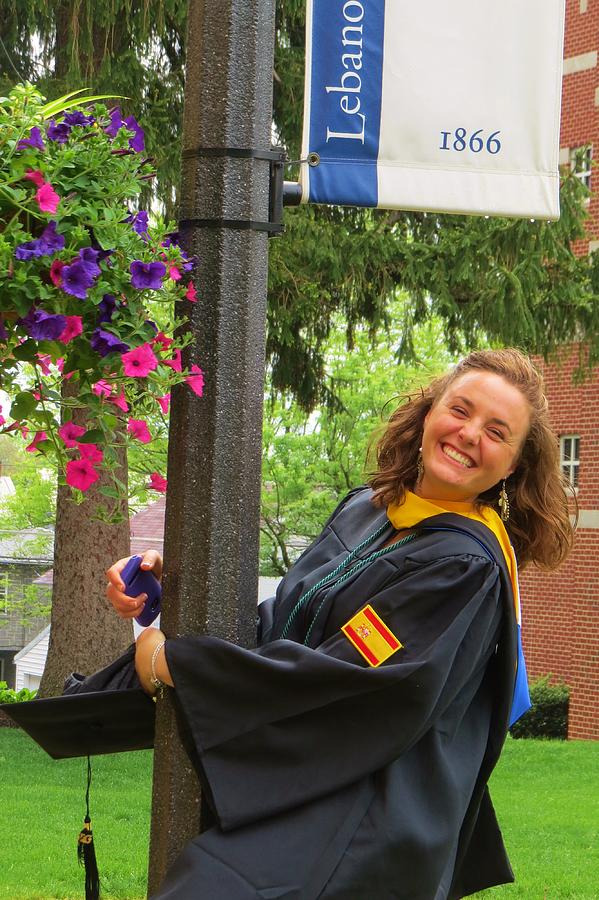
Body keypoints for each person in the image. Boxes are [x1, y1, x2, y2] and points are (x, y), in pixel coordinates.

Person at [107, 348, 573, 900]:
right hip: (306, 782)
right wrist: (175, 597)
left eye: (497, 431)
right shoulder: (367, 510)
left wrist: (171, 663)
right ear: (429, 413)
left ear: (514, 464)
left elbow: (348, 678)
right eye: (460, 409)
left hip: (363, 816)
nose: (471, 434)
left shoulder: (463, 565)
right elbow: (286, 623)